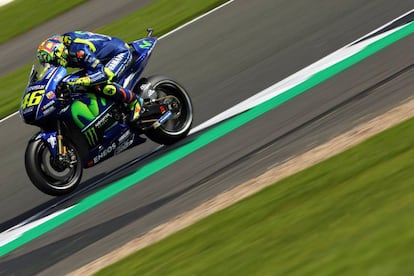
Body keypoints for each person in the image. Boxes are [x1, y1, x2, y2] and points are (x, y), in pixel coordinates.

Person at [36, 31, 143, 122]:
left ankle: (134, 101)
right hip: (98, 60)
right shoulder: (64, 48)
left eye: (52, 62)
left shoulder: (79, 51)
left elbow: (102, 74)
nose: (52, 65)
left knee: (103, 84)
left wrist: (78, 82)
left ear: (58, 53)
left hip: (118, 54)